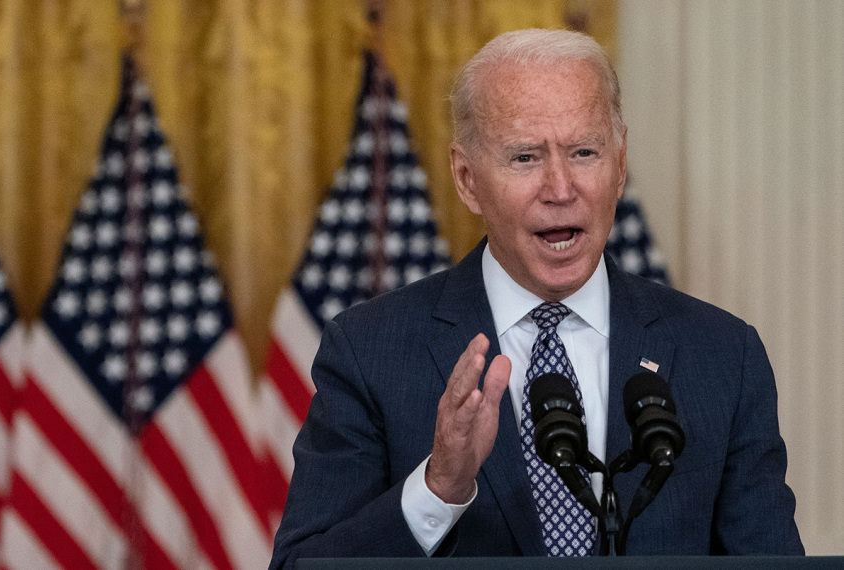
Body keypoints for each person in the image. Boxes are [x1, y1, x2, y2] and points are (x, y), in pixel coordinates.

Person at [269, 29, 803, 568]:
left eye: (584, 152)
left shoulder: (723, 358)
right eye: (525, 157)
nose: (560, 187)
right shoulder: (370, 353)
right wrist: (437, 490)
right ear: (467, 178)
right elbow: (300, 565)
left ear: (620, 164)